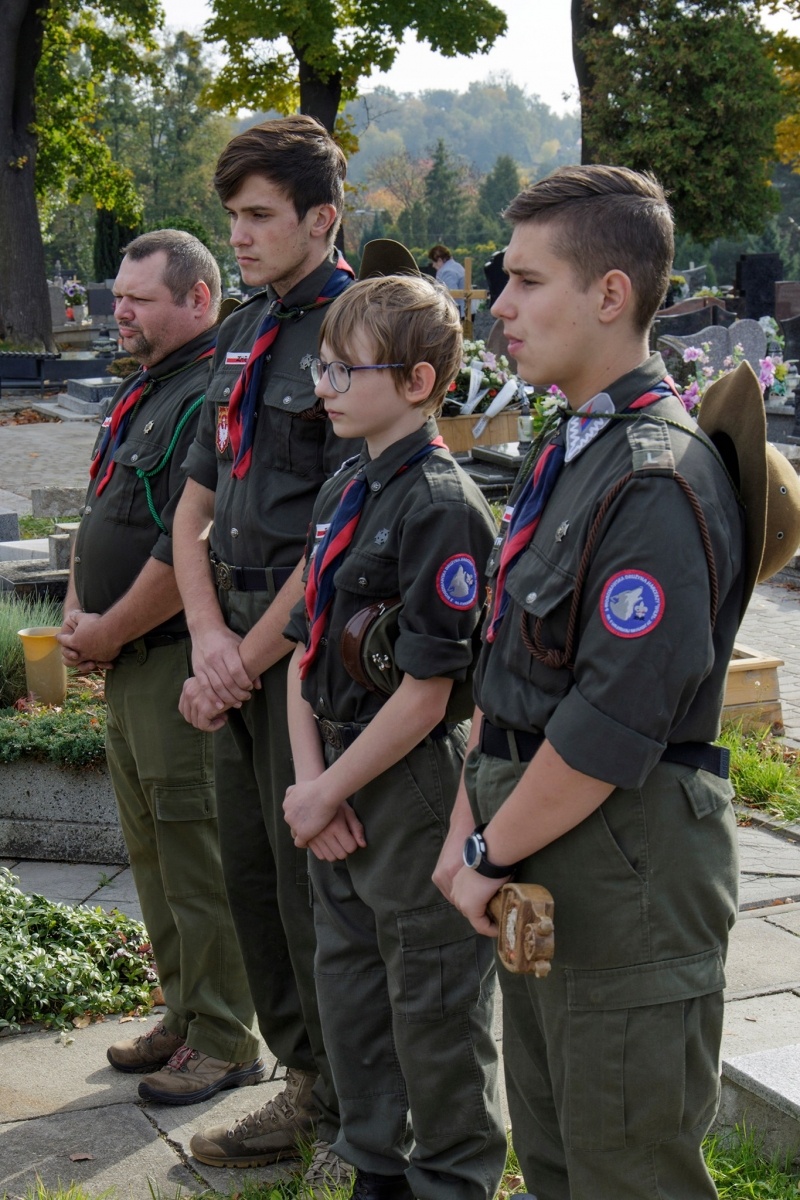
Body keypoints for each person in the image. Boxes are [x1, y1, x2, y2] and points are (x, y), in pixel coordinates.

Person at [434, 166, 749, 1200]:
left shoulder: (652, 475)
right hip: (545, 858)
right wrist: (461, 830)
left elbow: (613, 720)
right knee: (562, 1162)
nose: (499, 307)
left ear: (608, 295)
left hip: (623, 877)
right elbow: (507, 672)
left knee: (625, 1173)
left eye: (524, 281)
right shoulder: (573, 449)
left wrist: (483, 846)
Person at [282, 273, 506, 1200]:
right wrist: (309, 790)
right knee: (352, 984)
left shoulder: (442, 505)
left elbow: (430, 688)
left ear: (419, 382)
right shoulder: (346, 482)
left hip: (407, 779)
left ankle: (451, 1175)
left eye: (345, 371)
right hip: (332, 766)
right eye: (321, 368)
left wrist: (330, 790)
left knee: (434, 994)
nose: (325, 387)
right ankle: (376, 1163)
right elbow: (303, 647)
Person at [172, 115, 357, 1194]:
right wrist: (204, 638)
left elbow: (340, 525)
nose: (235, 236)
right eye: (230, 215)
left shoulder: (357, 331)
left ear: (319, 218)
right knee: (249, 879)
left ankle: (349, 1106)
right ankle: (302, 1081)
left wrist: (241, 651)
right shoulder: (244, 330)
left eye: (256, 217)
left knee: (311, 893)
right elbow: (197, 497)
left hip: (305, 654)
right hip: (232, 647)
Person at [57, 229, 263, 1105]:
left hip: (170, 660)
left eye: (139, 300)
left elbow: (191, 542)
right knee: (150, 851)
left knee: (193, 851)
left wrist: (105, 631)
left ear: (199, 300)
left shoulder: (209, 394)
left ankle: (225, 1037)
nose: (120, 313)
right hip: (125, 660)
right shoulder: (146, 389)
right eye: (118, 297)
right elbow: (105, 501)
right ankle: (184, 1012)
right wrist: (76, 604)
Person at [428, 244, 466, 316]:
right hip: (467, 310)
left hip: (458, 313)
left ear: (439, 260)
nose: (433, 265)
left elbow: (450, 296)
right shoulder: (458, 266)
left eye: (433, 262)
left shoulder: (446, 271)